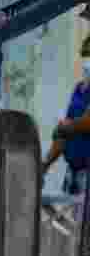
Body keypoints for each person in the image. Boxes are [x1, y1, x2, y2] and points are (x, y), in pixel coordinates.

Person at [43, 36, 90, 196]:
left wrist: (66, 126)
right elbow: (64, 133)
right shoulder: (79, 89)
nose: (87, 61)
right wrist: (45, 164)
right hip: (74, 171)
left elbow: (85, 123)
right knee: (67, 211)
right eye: (86, 55)